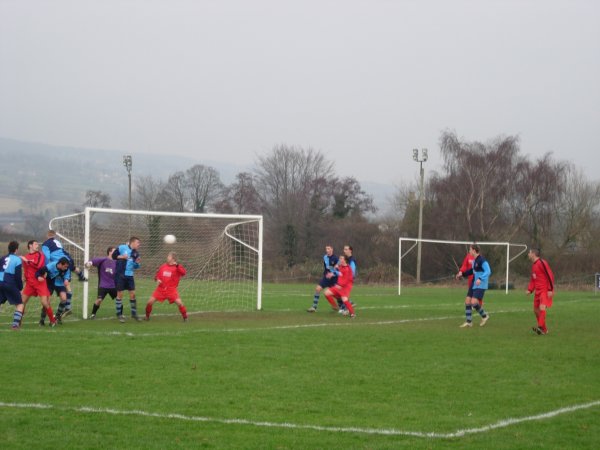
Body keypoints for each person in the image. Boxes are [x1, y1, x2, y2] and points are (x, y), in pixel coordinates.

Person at [20, 240, 57, 327]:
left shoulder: (40, 254)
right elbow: (26, 268)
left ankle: (52, 321)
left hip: (40, 282)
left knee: (44, 302)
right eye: (35, 244)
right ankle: (18, 321)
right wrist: (24, 276)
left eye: (37, 244)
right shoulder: (26, 256)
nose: (37, 245)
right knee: (22, 302)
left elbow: (38, 265)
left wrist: (27, 261)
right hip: (30, 283)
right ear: (30, 246)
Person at [144, 252, 188, 322]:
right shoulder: (163, 266)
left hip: (171, 290)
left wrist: (177, 265)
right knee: (149, 302)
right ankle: (147, 317)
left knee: (180, 303)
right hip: (160, 289)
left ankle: (185, 317)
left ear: (173, 259)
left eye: (169, 256)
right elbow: (157, 276)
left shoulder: (177, 267)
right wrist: (157, 279)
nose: (167, 257)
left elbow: (183, 273)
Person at [455, 244, 491, 328]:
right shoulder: (474, 261)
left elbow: (488, 271)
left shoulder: (482, 260)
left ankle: (485, 316)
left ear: (474, 250)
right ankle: (469, 322)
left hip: (481, 284)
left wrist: (480, 278)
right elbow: (472, 271)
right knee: (467, 301)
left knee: (474, 302)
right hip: (474, 283)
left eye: (470, 250)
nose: (469, 251)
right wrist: (462, 274)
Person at [112, 237, 142, 322]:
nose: (139, 244)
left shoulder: (136, 253)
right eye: (138, 242)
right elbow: (114, 256)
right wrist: (122, 257)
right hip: (120, 275)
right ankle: (119, 315)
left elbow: (136, 266)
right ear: (132, 242)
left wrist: (137, 263)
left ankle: (134, 314)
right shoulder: (122, 247)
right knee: (120, 294)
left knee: (133, 294)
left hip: (130, 276)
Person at [526, 248, 555, 335]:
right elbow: (533, 279)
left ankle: (540, 327)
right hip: (537, 291)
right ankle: (544, 329)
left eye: (529, 252)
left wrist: (550, 289)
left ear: (533, 254)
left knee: (542, 307)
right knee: (535, 310)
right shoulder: (534, 265)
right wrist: (530, 289)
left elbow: (550, 275)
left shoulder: (542, 263)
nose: (528, 254)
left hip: (545, 290)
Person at [85, 246, 117, 319]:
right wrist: (89, 263)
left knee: (119, 299)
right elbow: (93, 261)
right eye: (114, 251)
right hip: (103, 285)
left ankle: (120, 314)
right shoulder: (103, 260)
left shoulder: (116, 262)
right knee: (99, 300)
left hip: (113, 285)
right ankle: (93, 314)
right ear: (110, 252)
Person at [37, 257, 71, 324]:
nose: (66, 268)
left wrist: (66, 279)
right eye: (65, 266)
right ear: (60, 264)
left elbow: (67, 275)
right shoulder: (51, 266)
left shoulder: (66, 268)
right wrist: (38, 276)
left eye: (67, 267)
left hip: (60, 283)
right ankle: (42, 320)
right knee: (47, 302)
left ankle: (57, 317)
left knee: (64, 298)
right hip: (50, 284)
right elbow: (40, 271)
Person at [0, 241, 25, 329]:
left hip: (0, 282)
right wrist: (20, 287)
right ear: (16, 249)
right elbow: (17, 276)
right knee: (20, 304)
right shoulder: (17, 259)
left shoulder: (2, 258)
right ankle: (15, 325)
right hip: (10, 283)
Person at [307, 244, 338, 312]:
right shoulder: (325, 257)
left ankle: (345, 304)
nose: (327, 250)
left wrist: (333, 272)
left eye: (329, 249)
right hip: (326, 277)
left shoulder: (336, 258)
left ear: (332, 249)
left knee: (336, 295)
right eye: (326, 249)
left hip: (334, 279)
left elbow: (338, 269)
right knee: (318, 289)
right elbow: (326, 266)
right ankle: (314, 307)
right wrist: (326, 273)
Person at [338, 244, 357, 312]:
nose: (344, 251)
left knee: (343, 294)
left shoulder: (352, 260)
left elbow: (352, 271)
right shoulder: (344, 258)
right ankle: (347, 305)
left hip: (348, 280)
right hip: (343, 279)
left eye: (346, 249)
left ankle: (346, 308)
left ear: (350, 250)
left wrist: (348, 279)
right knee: (340, 293)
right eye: (344, 249)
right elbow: (339, 266)